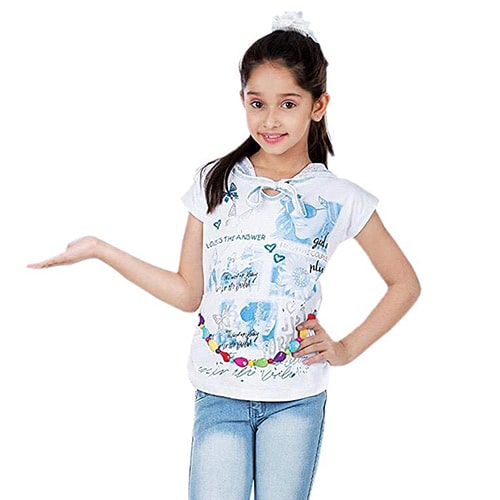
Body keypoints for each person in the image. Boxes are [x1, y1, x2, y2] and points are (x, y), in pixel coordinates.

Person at [28, 11, 421, 500]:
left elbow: (404, 283)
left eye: (288, 104)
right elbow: (187, 293)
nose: (270, 120)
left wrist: (344, 350)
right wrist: (99, 250)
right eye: (257, 103)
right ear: (243, 101)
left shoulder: (342, 198)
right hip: (219, 392)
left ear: (318, 105)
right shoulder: (214, 181)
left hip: (295, 397)